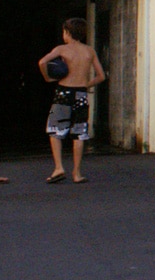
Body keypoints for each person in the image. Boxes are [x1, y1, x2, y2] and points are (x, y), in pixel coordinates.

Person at [37, 17, 105, 184]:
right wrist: (85, 84)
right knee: (79, 133)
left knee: (55, 131)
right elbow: (101, 76)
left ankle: (59, 167)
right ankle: (77, 173)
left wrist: (48, 78)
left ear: (67, 32)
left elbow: (42, 61)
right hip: (81, 94)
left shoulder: (62, 49)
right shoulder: (90, 51)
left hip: (63, 92)